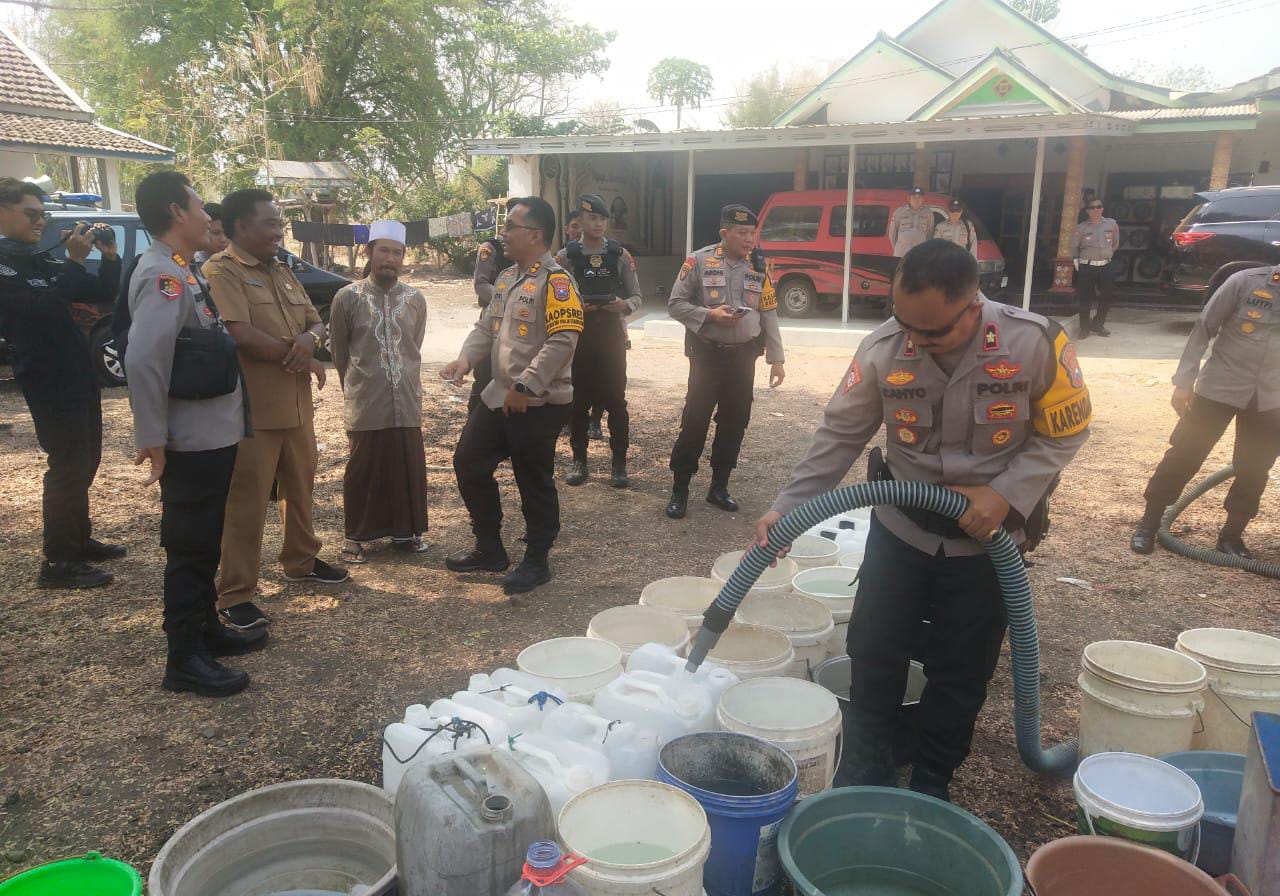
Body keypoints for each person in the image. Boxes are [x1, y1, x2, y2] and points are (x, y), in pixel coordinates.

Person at [754, 240, 1091, 802]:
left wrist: (1006, 495)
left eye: (932, 332)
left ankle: (934, 780)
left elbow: (1066, 431)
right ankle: (867, 766)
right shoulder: (884, 347)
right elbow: (839, 436)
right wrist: (787, 508)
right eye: (905, 323)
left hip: (989, 545)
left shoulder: (1034, 343)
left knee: (961, 670)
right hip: (902, 531)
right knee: (873, 651)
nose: (915, 340)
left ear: (973, 304)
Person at [125, 170, 263, 697]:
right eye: (201, 207)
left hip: (213, 434)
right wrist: (151, 436)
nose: (210, 217)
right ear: (176, 213)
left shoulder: (183, 270)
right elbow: (143, 359)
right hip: (190, 439)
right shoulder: (161, 275)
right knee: (189, 545)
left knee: (204, 542)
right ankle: (183, 658)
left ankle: (205, 630)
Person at [204, 188, 347, 632]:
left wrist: (310, 343)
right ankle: (235, 593)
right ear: (240, 226)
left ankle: (301, 561)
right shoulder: (220, 270)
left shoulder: (283, 269)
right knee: (246, 502)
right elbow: (238, 332)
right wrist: (298, 353)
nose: (277, 230)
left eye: (277, 223)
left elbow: (315, 321)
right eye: (269, 223)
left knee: (301, 486)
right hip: (253, 409)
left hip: (297, 403)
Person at [440, 197, 583, 598]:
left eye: (512, 227)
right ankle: (490, 548)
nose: (503, 234)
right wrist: (465, 359)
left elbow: (563, 341)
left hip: (538, 402)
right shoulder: (505, 279)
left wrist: (527, 385)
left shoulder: (557, 281)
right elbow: (486, 328)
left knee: (532, 478)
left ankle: (537, 560)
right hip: (498, 396)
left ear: (535, 234)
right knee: (468, 462)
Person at [0, 177, 124, 589]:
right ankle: (57, 561)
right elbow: (39, 314)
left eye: (43, 215)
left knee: (86, 458)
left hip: (77, 372)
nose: (40, 223)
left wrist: (108, 256)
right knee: (66, 464)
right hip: (47, 377)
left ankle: (79, 539)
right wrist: (71, 262)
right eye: (31, 215)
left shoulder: (35, 260)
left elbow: (103, 292)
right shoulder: (5, 266)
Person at [1130, 264, 1279, 559]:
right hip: (1219, 386)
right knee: (1186, 453)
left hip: (1272, 396)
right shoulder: (1243, 282)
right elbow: (1204, 327)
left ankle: (1231, 536)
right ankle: (1148, 524)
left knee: (1255, 466)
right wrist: (1184, 381)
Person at [665, 204, 785, 519]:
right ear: (724, 233)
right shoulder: (699, 261)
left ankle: (719, 487)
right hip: (707, 356)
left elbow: (768, 312)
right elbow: (675, 304)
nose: (749, 240)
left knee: (734, 422)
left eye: (753, 233)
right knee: (695, 421)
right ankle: (680, 489)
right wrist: (709, 315)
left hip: (744, 358)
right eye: (742, 233)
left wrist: (777, 358)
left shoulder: (759, 265)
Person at [329, 220, 430, 563]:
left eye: (397, 252)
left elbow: (414, 346)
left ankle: (407, 533)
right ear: (368, 253)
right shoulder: (347, 297)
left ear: (404, 257)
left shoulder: (416, 299)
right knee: (363, 470)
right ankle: (355, 537)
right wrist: (359, 385)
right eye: (383, 250)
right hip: (365, 398)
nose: (390, 258)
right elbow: (340, 353)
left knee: (406, 466)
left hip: (406, 397)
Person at [556, 194, 642, 488]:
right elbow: (553, 298)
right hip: (579, 336)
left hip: (611, 337)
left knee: (616, 402)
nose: (598, 224)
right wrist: (574, 307)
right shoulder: (565, 256)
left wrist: (623, 305)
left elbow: (637, 297)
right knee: (577, 403)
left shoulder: (620, 255)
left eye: (603, 219)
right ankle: (579, 461)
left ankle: (619, 464)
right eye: (592, 218)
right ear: (579, 221)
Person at [470, 228, 507, 413]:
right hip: (493, 316)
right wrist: (505, 298)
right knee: (484, 372)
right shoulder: (490, 248)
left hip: (520, 318)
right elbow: (481, 283)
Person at [1071, 198, 1119, 339]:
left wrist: (1106, 256)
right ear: (1088, 211)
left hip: (1106, 265)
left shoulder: (1111, 224)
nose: (1096, 209)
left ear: (1102, 209)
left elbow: (1115, 243)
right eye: (1092, 207)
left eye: (1099, 206)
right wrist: (1076, 260)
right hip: (1087, 266)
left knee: (1107, 297)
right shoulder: (1082, 227)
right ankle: (1084, 328)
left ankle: (1098, 324)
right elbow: (1074, 246)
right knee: (1085, 298)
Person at [889, 187, 934, 259]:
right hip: (901, 254)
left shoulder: (928, 213)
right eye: (914, 197)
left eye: (919, 197)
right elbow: (892, 233)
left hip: (920, 254)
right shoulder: (899, 212)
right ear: (909, 198)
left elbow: (929, 233)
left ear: (923, 199)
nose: (917, 200)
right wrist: (900, 247)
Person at [193, 201, 230, 268]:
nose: (223, 239)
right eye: (216, 233)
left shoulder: (239, 261)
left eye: (227, 232)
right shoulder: (192, 263)